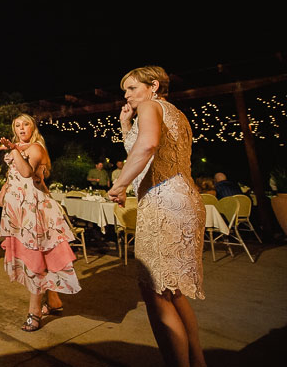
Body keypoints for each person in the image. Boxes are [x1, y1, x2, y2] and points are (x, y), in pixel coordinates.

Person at [108, 65, 207, 367]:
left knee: (155, 292)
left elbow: (148, 145)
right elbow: (142, 145)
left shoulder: (150, 106)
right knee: (173, 291)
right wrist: (126, 126)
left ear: (153, 86)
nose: (126, 95)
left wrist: (120, 183)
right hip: (184, 197)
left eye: (132, 88)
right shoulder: (175, 112)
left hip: (163, 200)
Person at [0, 114, 81, 332]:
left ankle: (34, 314)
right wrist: (4, 189)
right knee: (41, 257)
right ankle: (54, 301)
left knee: (35, 260)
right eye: (17, 125)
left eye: (25, 124)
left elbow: (26, 172)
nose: (21, 127)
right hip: (19, 210)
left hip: (33, 211)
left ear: (33, 127)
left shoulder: (34, 148)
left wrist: (13, 149)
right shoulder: (20, 148)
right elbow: (15, 175)